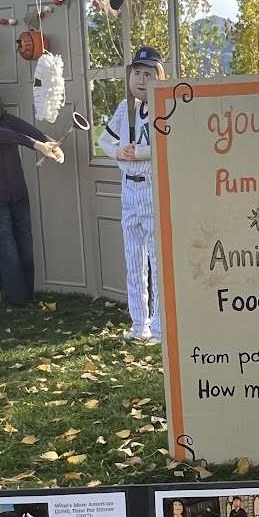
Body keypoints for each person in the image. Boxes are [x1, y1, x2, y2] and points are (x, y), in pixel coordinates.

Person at [0, 82, 63, 307]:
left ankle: (27, 295)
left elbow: (28, 130)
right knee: (6, 248)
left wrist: (50, 143)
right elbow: (7, 136)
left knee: (25, 245)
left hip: (18, 193)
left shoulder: (6, 118)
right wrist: (36, 145)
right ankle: (16, 299)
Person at [97, 45, 165, 344]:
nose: (141, 79)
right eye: (137, 73)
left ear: (159, 76)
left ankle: (160, 326)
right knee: (134, 261)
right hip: (128, 189)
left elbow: (166, 144)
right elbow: (104, 140)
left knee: (157, 262)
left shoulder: (165, 109)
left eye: (148, 74)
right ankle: (139, 324)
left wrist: (139, 152)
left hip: (152, 188)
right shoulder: (126, 109)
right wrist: (119, 152)